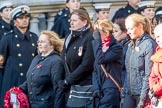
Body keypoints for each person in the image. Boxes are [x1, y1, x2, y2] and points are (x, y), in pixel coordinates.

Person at [0, 5, 38, 107]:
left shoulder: (34, 38)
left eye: (26, 17)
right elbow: (1, 63)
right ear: (15, 21)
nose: (24, 20)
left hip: (29, 82)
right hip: (12, 81)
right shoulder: (7, 38)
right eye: (21, 18)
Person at [58, 9, 94, 107]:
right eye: (71, 20)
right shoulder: (69, 37)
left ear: (84, 22)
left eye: (75, 20)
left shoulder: (90, 37)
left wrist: (68, 80)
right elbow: (64, 58)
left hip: (84, 85)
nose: (71, 23)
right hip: (70, 85)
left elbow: (87, 64)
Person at [19, 30, 64, 108]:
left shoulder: (56, 61)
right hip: (32, 104)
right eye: (38, 42)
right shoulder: (36, 58)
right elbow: (31, 79)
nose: (39, 44)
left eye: (42, 42)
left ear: (52, 44)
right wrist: (18, 89)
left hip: (46, 104)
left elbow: (58, 88)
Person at [121, 13, 157, 108]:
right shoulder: (130, 44)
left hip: (143, 94)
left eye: (131, 28)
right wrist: (124, 94)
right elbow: (128, 71)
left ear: (140, 26)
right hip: (129, 93)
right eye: (127, 29)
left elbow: (148, 74)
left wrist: (142, 99)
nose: (128, 32)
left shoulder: (149, 44)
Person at [92, 19, 123, 108]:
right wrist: (96, 88)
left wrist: (97, 41)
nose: (95, 35)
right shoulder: (99, 48)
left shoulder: (116, 47)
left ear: (106, 33)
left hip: (111, 89)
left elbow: (100, 59)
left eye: (98, 32)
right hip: (100, 89)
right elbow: (95, 70)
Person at [145, 23, 162, 108]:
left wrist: (154, 90)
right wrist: (152, 91)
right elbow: (152, 75)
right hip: (158, 95)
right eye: (155, 36)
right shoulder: (158, 53)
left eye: (159, 36)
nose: (156, 39)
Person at [0, 0, 13, 100]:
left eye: (11, 9)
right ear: (1, 13)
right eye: (6, 10)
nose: (9, 12)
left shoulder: (15, 25)